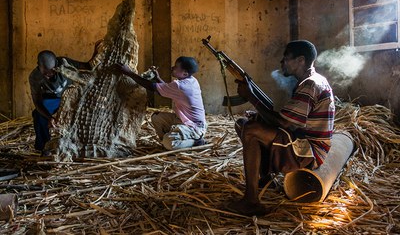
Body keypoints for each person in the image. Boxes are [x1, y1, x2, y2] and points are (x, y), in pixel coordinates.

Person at [226, 40, 335, 216]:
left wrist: (252, 98)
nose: (282, 63)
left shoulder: (310, 84)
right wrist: (259, 114)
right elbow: (287, 121)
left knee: (251, 130)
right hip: (301, 141)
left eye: (286, 59)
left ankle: (251, 201)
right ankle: (266, 180)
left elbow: (285, 123)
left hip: (310, 150)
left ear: (300, 60)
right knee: (243, 125)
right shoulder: (308, 82)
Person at [114, 56, 207, 150]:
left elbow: (151, 87)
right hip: (183, 120)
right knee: (156, 117)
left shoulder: (181, 86)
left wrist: (129, 72)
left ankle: (195, 142)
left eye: (176, 67)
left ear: (185, 73)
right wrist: (157, 78)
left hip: (194, 127)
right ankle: (173, 141)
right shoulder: (192, 80)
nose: (172, 67)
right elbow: (166, 89)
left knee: (169, 143)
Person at [29, 49, 93, 153]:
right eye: (45, 73)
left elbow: (87, 66)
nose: (48, 75)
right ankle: (44, 147)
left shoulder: (64, 63)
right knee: (38, 115)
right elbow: (37, 102)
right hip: (53, 100)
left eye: (52, 72)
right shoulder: (35, 77)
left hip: (72, 97)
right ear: (38, 65)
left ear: (57, 64)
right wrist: (49, 118)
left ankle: (79, 145)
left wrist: (95, 53)